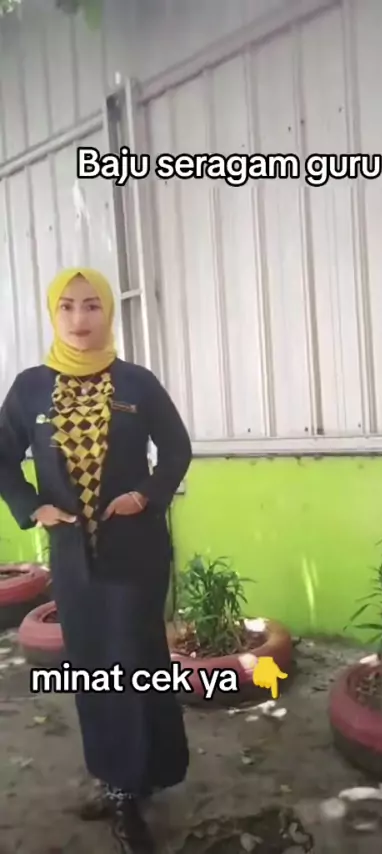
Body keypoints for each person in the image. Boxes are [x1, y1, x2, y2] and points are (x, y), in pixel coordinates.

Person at [0, 268, 192, 853]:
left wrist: (147, 495)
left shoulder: (135, 382)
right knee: (92, 666)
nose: (80, 319)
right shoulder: (30, 388)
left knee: (135, 659)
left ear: (108, 312)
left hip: (136, 552)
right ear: (52, 314)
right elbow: (3, 459)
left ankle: (137, 782)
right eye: (67, 307)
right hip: (73, 558)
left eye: (91, 306)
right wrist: (32, 507)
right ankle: (118, 781)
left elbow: (177, 448)